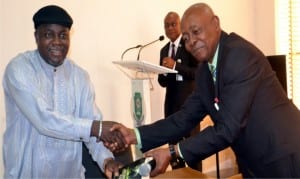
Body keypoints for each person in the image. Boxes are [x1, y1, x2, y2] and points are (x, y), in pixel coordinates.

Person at [108, 2, 300, 178]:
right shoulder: (204, 72)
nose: (191, 41)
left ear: (215, 23)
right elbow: (184, 118)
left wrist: (173, 151)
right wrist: (135, 135)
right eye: (186, 37)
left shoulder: (239, 55)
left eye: (196, 31)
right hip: (252, 161)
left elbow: (227, 129)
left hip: (284, 155)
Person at [2, 5, 123, 178]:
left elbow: (92, 126)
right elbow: (44, 120)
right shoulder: (19, 69)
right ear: (36, 36)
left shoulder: (79, 76)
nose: (57, 42)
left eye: (63, 35)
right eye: (48, 34)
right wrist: (96, 127)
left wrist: (107, 160)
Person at [158, 11, 199, 169]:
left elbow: (196, 73)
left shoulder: (190, 45)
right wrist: (161, 70)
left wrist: (175, 66)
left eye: (173, 24)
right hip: (171, 108)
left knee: (193, 150)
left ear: (180, 25)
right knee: (173, 152)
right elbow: (162, 82)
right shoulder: (163, 50)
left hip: (189, 105)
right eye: (166, 25)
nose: (169, 28)